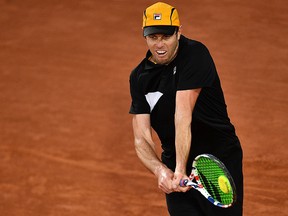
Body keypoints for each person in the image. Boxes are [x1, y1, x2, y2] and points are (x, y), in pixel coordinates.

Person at [129, 2, 243, 216]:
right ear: (144, 36)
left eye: (166, 36)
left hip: (216, 160)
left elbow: (182, 116)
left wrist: (182, 169)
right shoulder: (138, 78)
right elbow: (140, 138)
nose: (159, 44)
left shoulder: (194, 54)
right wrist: (161, 170)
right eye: (153, 37)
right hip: (174, 162)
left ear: (179, 32)